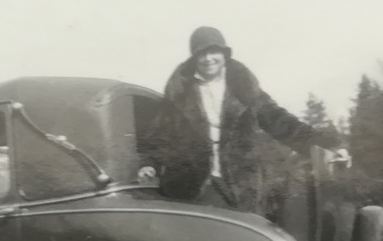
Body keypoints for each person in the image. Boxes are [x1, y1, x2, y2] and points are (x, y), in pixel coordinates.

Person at [139, 25, 349, 212]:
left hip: (240, 183)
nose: (208, 59)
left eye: (214, 51)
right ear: (194, 58)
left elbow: (281, 122)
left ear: (224, 54)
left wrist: (328, 144)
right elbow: (160, 135)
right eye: (201, 53)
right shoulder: (180, 94)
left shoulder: (245, 89)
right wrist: (149, 164)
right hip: (191, 185)